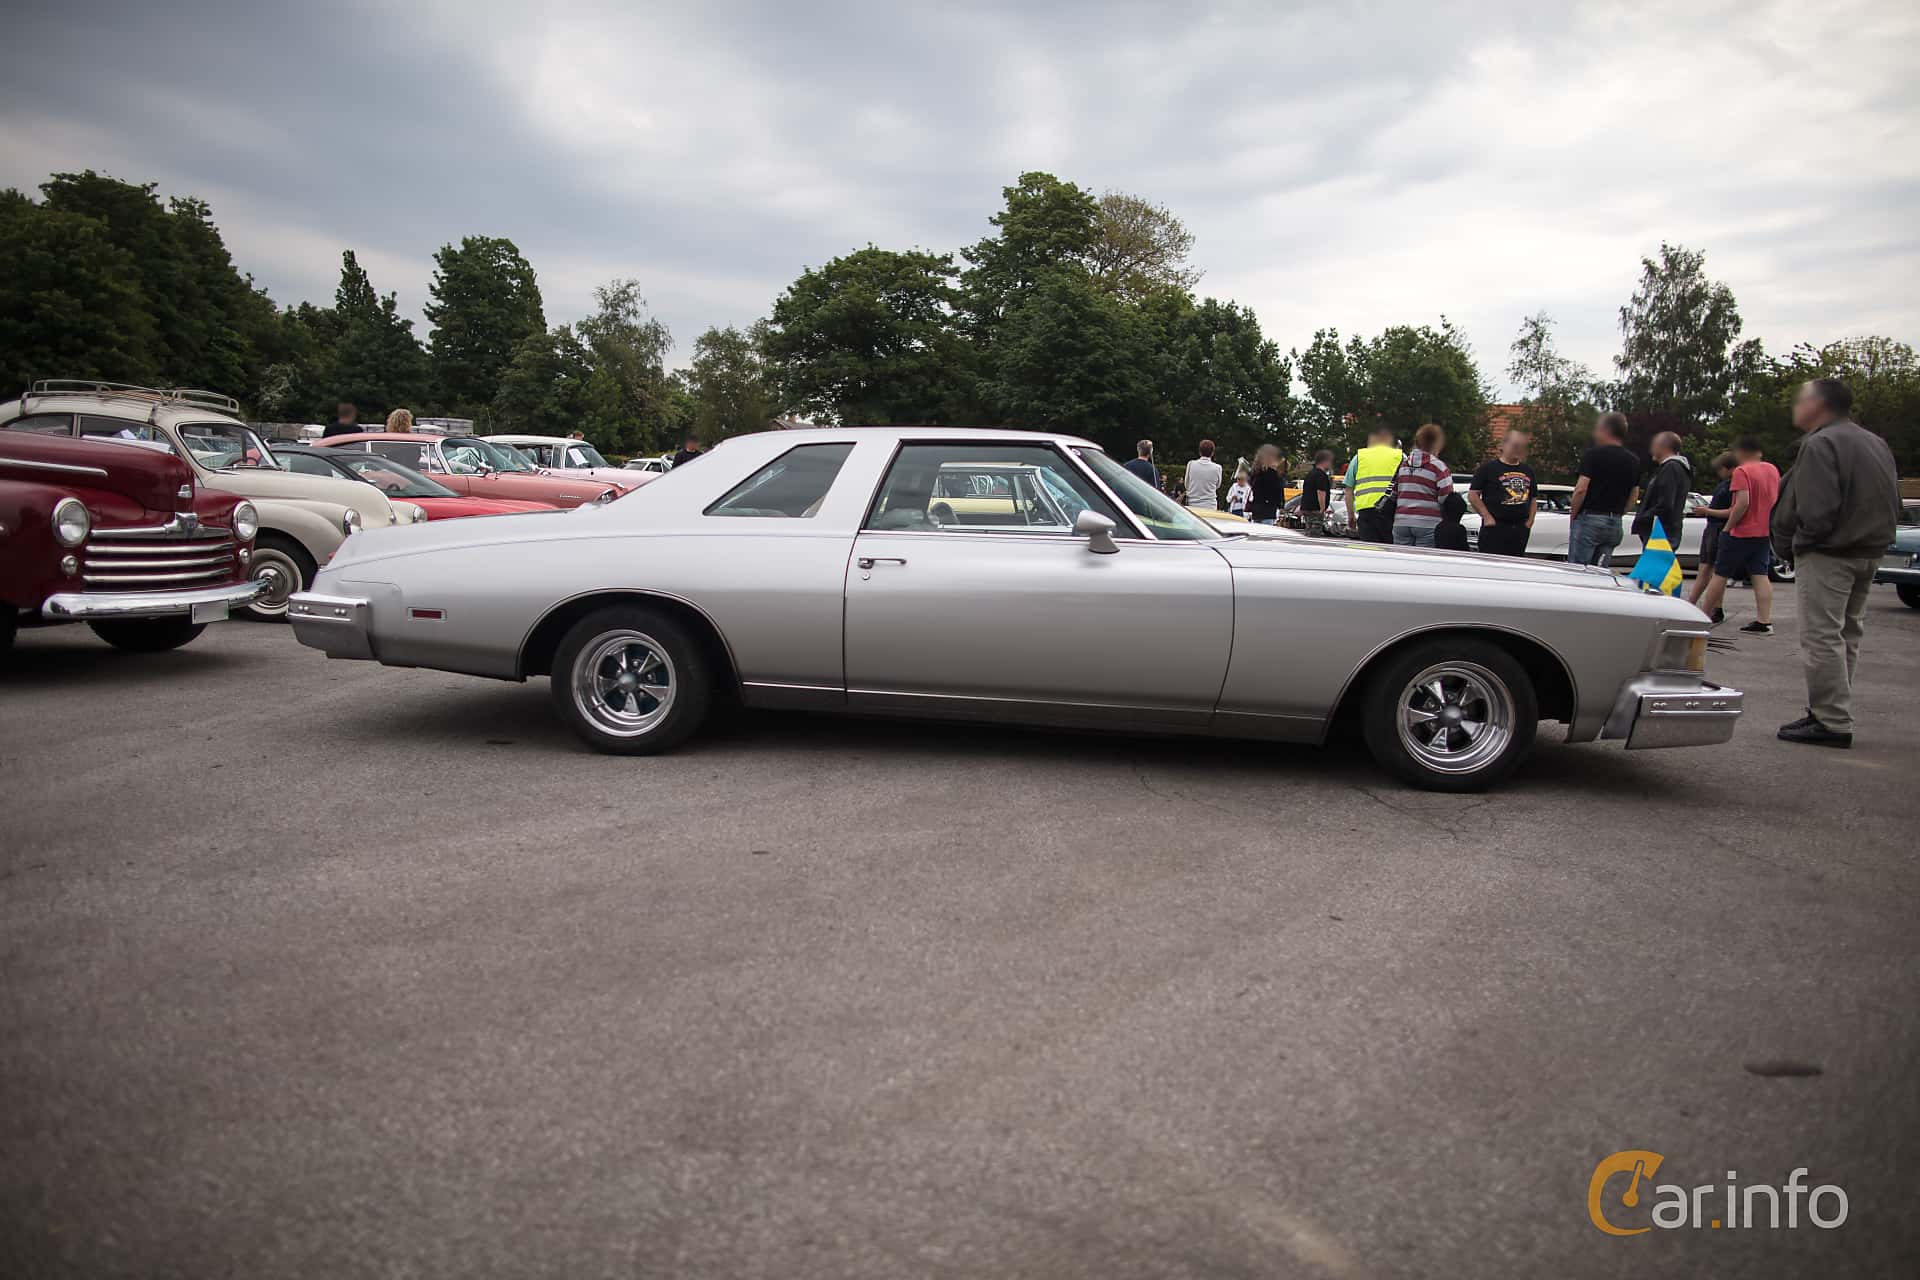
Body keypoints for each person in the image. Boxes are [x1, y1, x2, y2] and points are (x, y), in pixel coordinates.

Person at [1771, 378, 1901, 748]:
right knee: (1847, 634)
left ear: (1819, 404)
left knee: (1821, 635)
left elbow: (1817, 508)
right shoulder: (1874, 442)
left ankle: (1831, 719)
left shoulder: (1821, 443)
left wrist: (1800, 543)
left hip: (1830, 552)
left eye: (1802, 398)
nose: (1796, 405)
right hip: (1868, 550)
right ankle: (1831, 710)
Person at [1692, 438, 1779, 633]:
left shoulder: (1742, 472)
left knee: (1720, 574)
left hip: (1740, 531)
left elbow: (1742, 503)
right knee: (1760, 574)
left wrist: (1728, 528)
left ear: (1741, 453)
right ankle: (1764, 621)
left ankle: (1704, 617)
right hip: (1763, 531)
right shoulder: (1772, 469)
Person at [1567, 412, 1638, 566]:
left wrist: (1574, 514)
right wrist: (1619, 513)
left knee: (1579, 569)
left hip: (1590, 519)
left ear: (1606, 429)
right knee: (1600, 570)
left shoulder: (1593, 455)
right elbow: (1634, 495)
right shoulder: (1633, 460)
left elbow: (1581, 489)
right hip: (1615, 522)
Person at [1468, 426, 1537, 556]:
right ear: (1504, 445)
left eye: (1521, 446)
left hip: (1519, 529)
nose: (1518, 449)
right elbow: (1473, 495)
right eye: (1515, 445)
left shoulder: (1528, 470)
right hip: (1495, 528)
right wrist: (1487, 517)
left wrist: (1530, 521)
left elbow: (1533, 498)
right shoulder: (1488, 469)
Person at [1687, 453, 1736, 621]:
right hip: (1713, 527)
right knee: (1712, 570)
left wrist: (1707, 511)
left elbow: (1732, 510)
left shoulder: (1732, 486)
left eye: (1720, 469)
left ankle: (1692, 604)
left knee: (1707, 569)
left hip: (1718, 527)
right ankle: (1716, 606)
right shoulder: (1725, 484)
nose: (1718, 473)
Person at [1389, 423, 1450, 547]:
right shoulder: (1438, 467)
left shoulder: (1404, 465)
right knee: (1423, 562)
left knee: (1402, 561)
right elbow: (1446, 498)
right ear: (1437, 443)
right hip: (1428, 523)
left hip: (1401, 522)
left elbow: (1394, 493)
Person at [1632, 430, 1693, 552]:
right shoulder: (1678, 468)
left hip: (1660, 532)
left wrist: (1643, 517)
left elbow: (1665, 503)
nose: (1651, 450)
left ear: (1663, 447)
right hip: (1665, 530)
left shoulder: (1671, 468)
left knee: (1653, 569)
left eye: (1654, 446)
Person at [1343, 427, 1401, 543]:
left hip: (1366, 513)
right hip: (1392, 512)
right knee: (1391, 552)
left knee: (1370, 552)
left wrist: (1351, 518)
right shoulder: (1400, 456)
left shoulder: (1359, 457)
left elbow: (1348, 490)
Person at [1248, 444, 1286, 524]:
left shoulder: (1254, 474)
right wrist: (1281, 505)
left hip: (1257, 508)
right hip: (1268, 509)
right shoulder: (1273, 474)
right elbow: (1278, 491)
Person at [1299, 449, 1335, 535]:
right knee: (1315, 532)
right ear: (1325, 461)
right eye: (1330, 461)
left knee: (1308, 530)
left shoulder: (1310, 474)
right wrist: (1322, 508)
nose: (1331, 464)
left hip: (1306, 507)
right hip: (1315, 509)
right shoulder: (1321, 475)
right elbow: (1321, 492)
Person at [1183, 439, 1223, 511]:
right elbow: (1217, 486)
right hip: (1210, 505)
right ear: (1212, 453)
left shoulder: (1191, 464)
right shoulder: (1218, 468)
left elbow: (1187, 484)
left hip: (1192, 505)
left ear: (1200, 452)